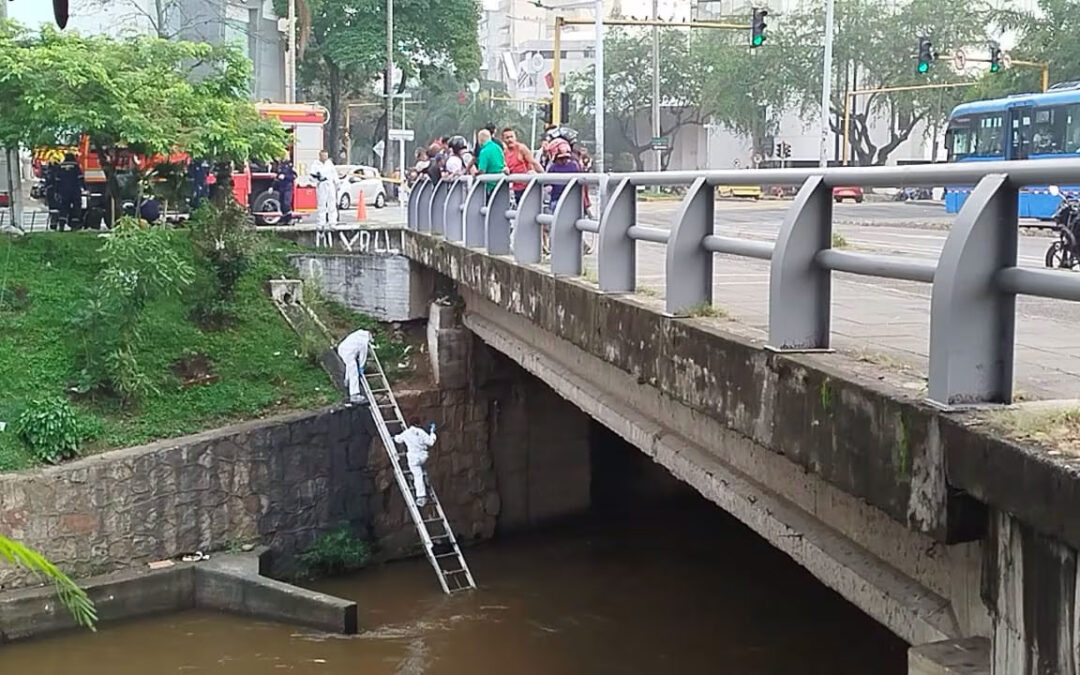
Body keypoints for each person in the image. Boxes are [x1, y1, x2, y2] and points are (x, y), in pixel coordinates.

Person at [394, 420, 437, 507]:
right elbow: (431, 442)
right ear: (418, 424)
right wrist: (432, 433)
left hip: (413, 458)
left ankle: (421, 496)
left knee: (418, 476)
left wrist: (395, 436)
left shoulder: (406, 433)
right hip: (423, 456)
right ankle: (426, 480)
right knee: (422, 471)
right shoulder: (421, 432)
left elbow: (398, 439)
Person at [502, 127, 543, 205]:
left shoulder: (521, 148)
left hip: (527, 186)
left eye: (511, 137)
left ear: (515, 137)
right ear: (503, 140)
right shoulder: (505, 152)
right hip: (516, 188)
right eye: (507, 138)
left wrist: (544, 177)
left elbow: (533, 162)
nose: (510, 140)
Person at [337, 328, 373, 405]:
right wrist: (361, 367)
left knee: (350, 366)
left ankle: (347, 380)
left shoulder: (358, 333)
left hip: (342, 349)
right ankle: (354, 394)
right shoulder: (364, 341)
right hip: (349, 353)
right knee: (354, 372)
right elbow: (363, 355)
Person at [309, 149, 340, 233]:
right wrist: (317, 179)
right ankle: (321, 222)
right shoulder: (315, 164)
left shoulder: (329, 164)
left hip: (330, 184)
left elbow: (334, 174)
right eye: (323, 156)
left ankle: (332, 222)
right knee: (321, 204)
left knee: (332, 203)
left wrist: (337, 183)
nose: (325, 157)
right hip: (321, 185)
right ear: (320, 156)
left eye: (326, 156)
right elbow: (311, 176)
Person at [56, 152, 84, 231]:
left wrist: (57, 191)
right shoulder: (75, 166)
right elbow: (80, 178)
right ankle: (74, 225)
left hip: (64, 191)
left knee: (64, 207)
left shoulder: (61, 166)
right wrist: (84, 188)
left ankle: (61, 225)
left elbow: (58, 180)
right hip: (75, 190)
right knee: (76, 207)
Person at [475, 129, 506, 196]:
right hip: (501, 182)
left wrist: (475, 174)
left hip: (490, 185)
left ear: (480, 139)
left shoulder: (484, 151)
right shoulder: (498, 148)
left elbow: (482, 170)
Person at [273, 158, 297, 223]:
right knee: (281, 203)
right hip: (281, 187)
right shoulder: (280, 166)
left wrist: (285, 177)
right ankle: (284, 218)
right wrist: (272, 187)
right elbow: (277, 177)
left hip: (287, 187)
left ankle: (289, 218)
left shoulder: (290, 166)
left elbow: (294, 176)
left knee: (286, 203)